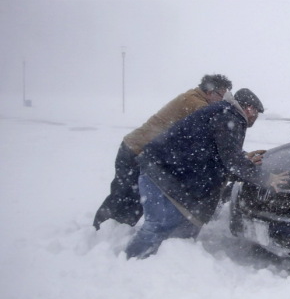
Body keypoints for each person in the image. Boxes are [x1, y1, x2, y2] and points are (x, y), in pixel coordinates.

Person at [124, 88, 287, 259]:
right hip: (162, 172)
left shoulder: (225, 113)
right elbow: (231, 160)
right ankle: (131, 261)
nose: (255, 118)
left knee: (185, 228)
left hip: (171, 172)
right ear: (248, 108)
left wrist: (244, 158)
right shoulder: (229, 117)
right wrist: (266, 178)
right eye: (256, 113)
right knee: (160, 224)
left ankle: (169, 263)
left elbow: (223, 151)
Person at [93, 74, 232, 230]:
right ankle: (100, 232)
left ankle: (111, 232)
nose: (223, 100)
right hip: (135, 151)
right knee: (123, 197)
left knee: (132, 199)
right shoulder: (193, 101)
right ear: (210, 92)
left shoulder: (193, 98)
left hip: (140, 152)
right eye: (222, 95)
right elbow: (214, 123)